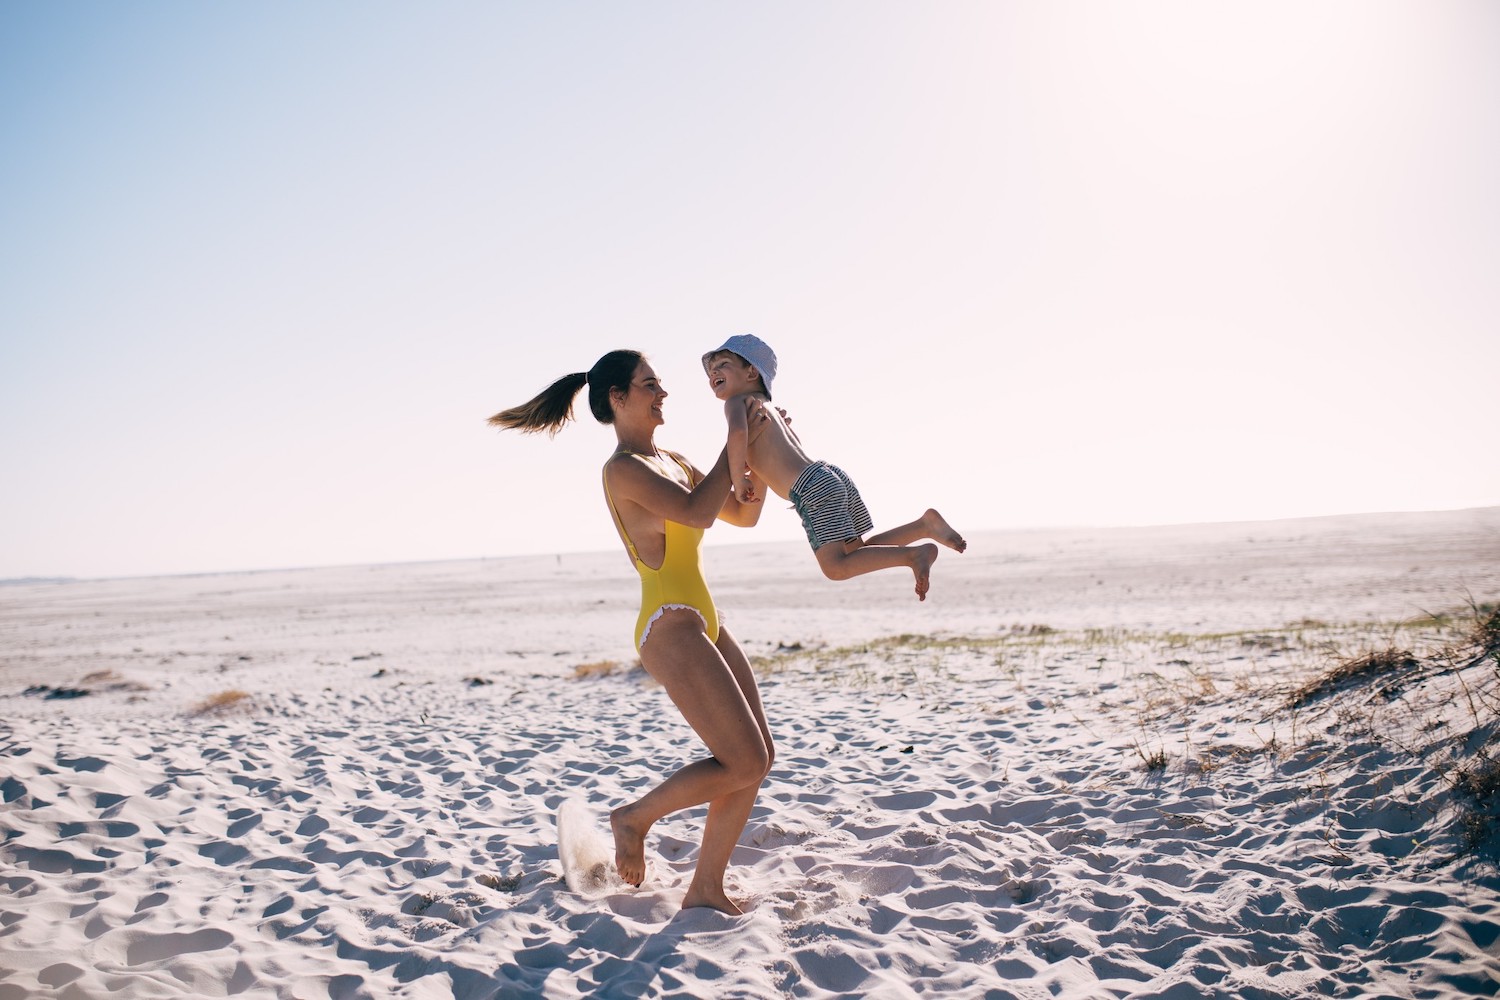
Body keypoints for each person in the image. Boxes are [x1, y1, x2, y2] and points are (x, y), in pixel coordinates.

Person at [488, 349, 774, 915]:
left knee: (757, 758)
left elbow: (743, 515)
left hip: (705, 618)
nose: (662, 394)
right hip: (669, 623)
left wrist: (758, 454)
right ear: (617, 399)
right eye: (649, 386)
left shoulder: (672, 458)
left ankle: (706, 886)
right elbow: (695, 512)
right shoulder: (622, 468)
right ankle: (634, 818)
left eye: (660, 385)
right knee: (740, 760)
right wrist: (734, 439)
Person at [703, 334, 967, 601]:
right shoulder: (769, 410)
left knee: (836, 568)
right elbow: (789, 450)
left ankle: (914, 554)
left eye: (723, 364)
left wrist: (739, 480)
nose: (714, 372)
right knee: (854, 553)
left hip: (810, 489)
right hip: (828, 474)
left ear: (751, 372)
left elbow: (736, 434)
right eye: (711, 370)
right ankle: (923, 526)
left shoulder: (736, 403)